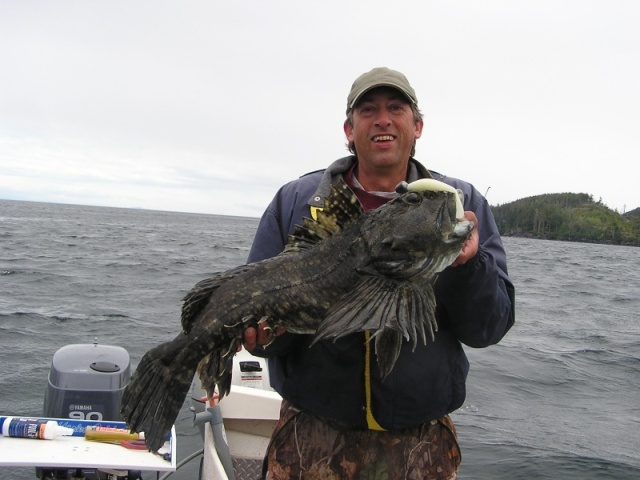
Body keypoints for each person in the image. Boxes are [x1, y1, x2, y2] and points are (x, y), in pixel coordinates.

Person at [243, 67, 515, 480]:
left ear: (418, 125)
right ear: (349, 129)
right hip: (309, 438)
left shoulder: (459, 204)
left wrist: (468, 265)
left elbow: (489, 328)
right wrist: (263, 338)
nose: (382, 119)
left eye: (396, 108)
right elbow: (261, 325)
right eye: (368, 110)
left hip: (423, 445)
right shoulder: (296, 201)